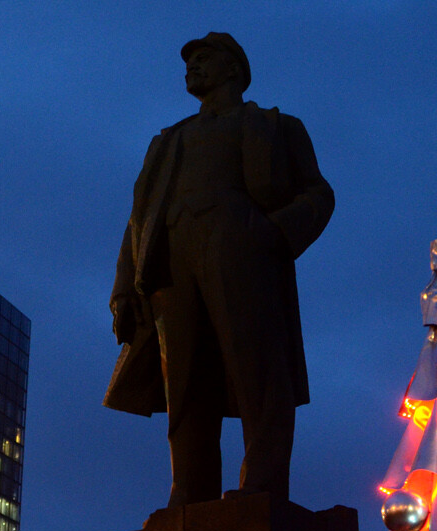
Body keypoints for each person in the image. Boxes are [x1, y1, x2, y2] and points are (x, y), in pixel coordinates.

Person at [106, 31, 334, 507]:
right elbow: (137, 219)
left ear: (233, 67)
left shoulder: (276, 126)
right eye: (189, 61)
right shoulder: (168, 141)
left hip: (241, 247)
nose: (192, 67)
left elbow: (318, 194)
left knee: (258, 372)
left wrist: (272, 234)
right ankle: (189, 495)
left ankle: (262, 487)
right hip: (171, 257)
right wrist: (125, 290)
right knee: (185, 381)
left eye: (204, 58)